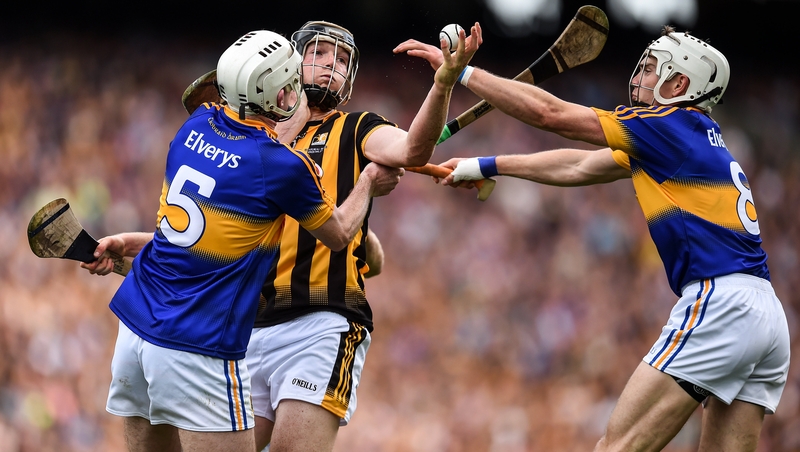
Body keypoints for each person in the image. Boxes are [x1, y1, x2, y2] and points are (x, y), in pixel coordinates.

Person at [397, 26, 790, 451]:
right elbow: (580, 167)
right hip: (767, 318)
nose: (639, 77)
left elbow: (552, 115)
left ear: (680, 84)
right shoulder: (688, 139)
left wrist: (462, 74)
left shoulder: (668, 126)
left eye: (654, 69)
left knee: (615, 447)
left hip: (721, 302)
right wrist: (487, 165)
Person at [84, 29, 403, 452]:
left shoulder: (193, 128)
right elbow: (341, 233)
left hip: (134, 331)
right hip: (196, 342)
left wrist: (128, 242)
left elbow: (189, 240)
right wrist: (366, 182)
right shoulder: (280, 166)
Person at [243, 20, 482, 452]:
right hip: (249, 324)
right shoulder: (257, 134)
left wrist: (443, 83)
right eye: (319, 54)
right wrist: (365, 242)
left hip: (320, 323)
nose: (330, 65)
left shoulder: (358, 128)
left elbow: (412, 150)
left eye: (340, 60)